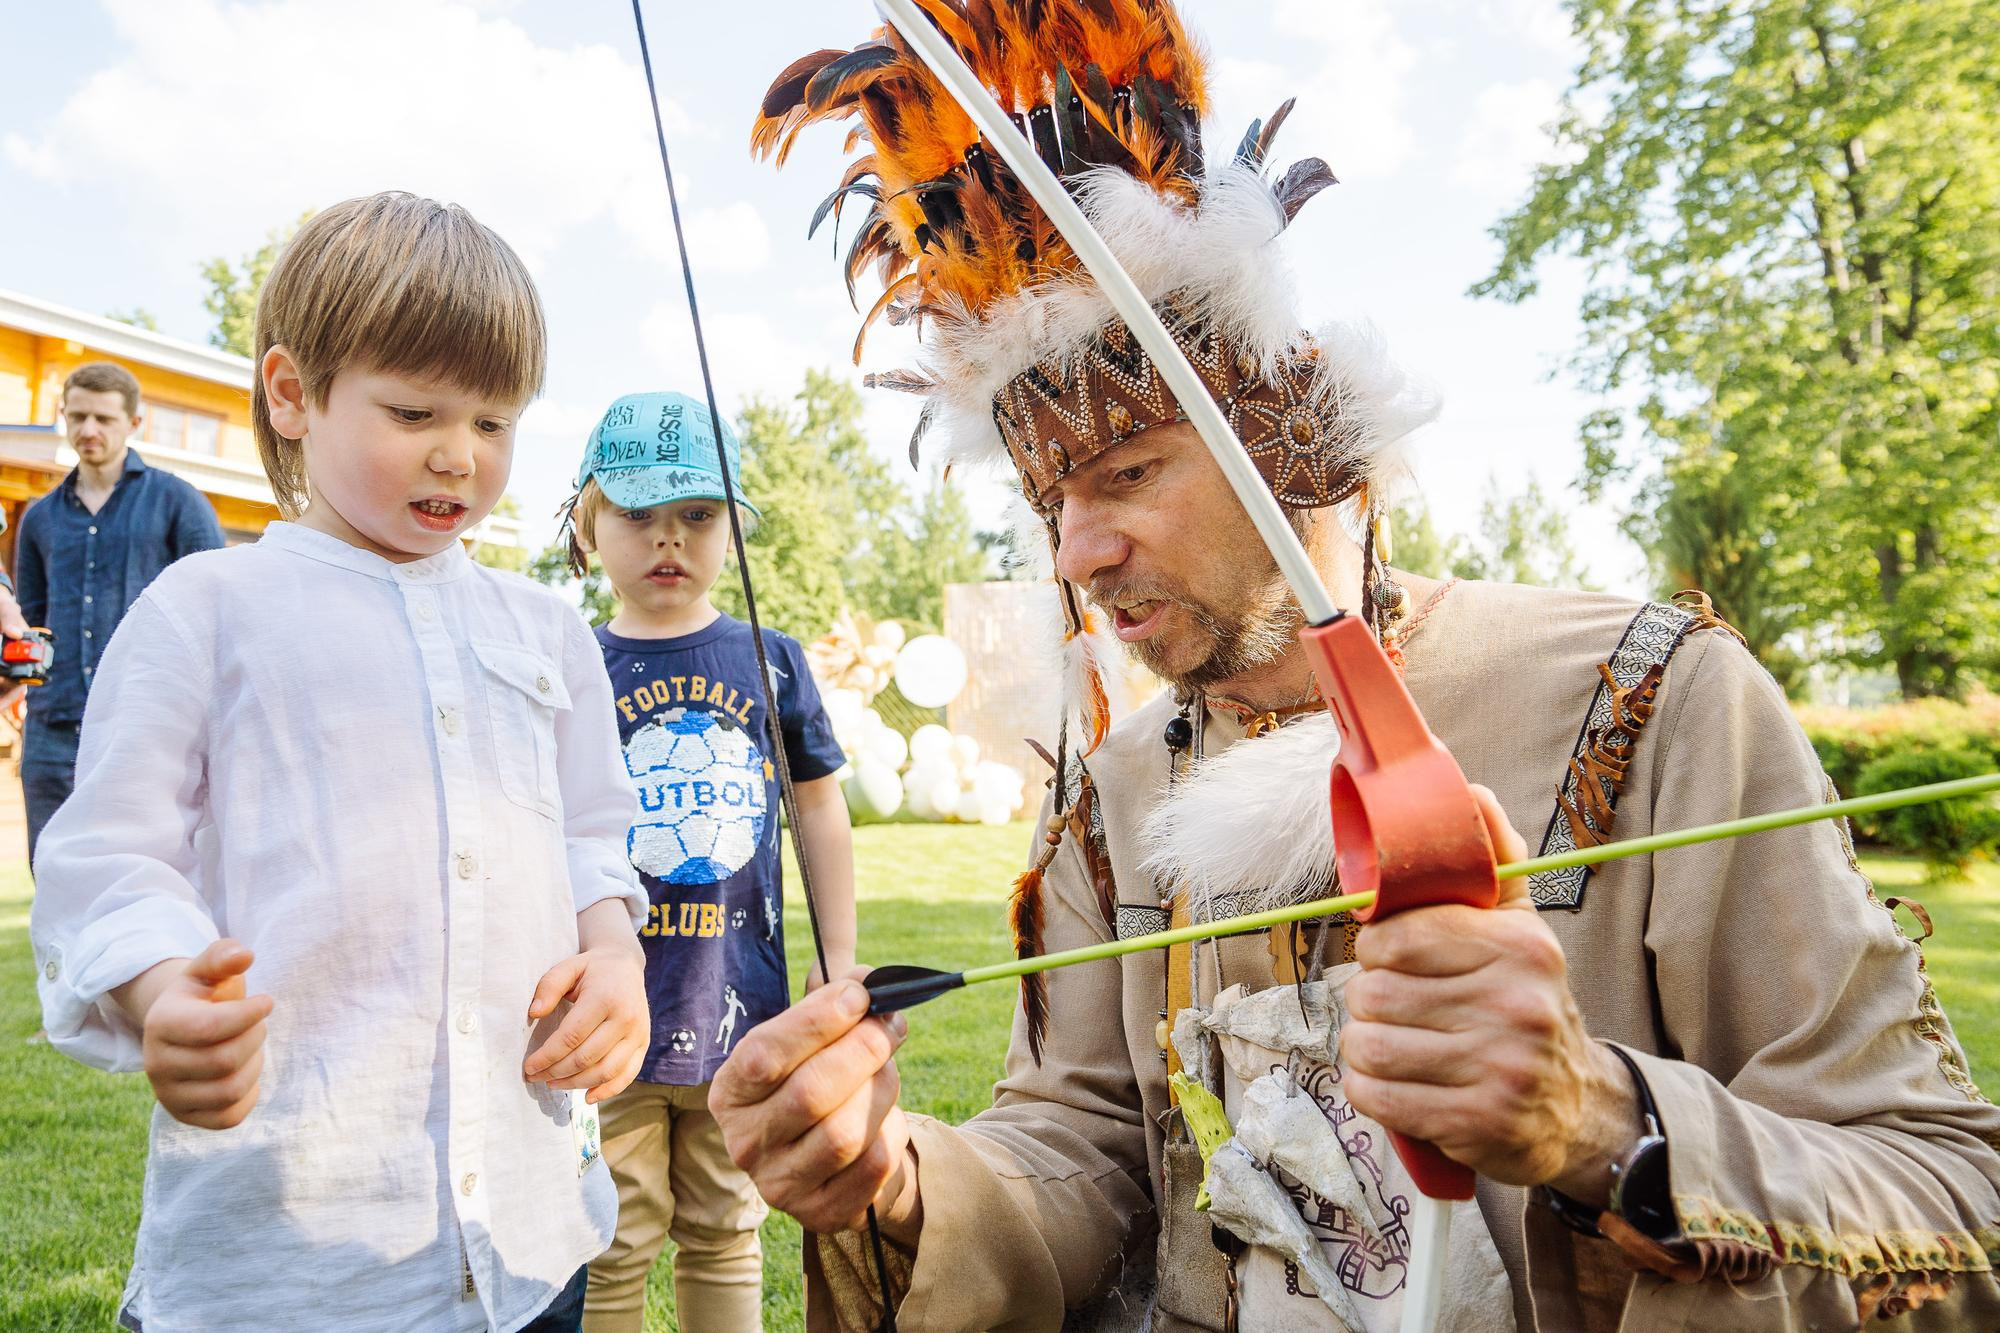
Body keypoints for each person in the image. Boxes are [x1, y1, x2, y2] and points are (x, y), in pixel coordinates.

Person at [709, 5, 2000, 1330]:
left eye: (1126, 473)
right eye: (1050, 506)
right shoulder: (1116, 788)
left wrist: (1600, 1121)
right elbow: (1080, 1152)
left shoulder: (1655, 700)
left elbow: (1951, 1198)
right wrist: (904, 1176)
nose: (1077, 554)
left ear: (1291, 440)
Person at [30, 192, 650, 1333]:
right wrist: (161, 988)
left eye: (497, 421)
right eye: (415, 410)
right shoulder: (206, 609)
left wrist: (613, 956)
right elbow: (107, 856)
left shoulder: (545, 630)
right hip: (287, 1261)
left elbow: (589, 834)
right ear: (291, 393)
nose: (460, 454)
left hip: (527, 1235)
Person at [561, 391, 856, 1333]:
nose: (669, 540)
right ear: (586, 524)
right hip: (609, 1012)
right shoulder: (570, 662)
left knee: (726, 1224)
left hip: (738, 999)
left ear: (733, 527)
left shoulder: (769, 660)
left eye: (697, 515)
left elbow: (818, 803)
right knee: (610, 1229)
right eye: (638, 515)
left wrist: (837, 953)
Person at [14, 360, 224, 862]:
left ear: (134, 423)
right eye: (78, 415)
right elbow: (31, 620)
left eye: (104, 419)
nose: (88, 430)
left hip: (146, 722)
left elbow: (215, 610)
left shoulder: (178, 502)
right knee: (52, 870)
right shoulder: (39, 518)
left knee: (145, 870)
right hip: (53, 728)